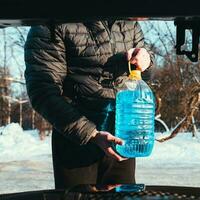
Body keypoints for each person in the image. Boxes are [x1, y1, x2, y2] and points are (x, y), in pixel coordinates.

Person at [24, 20, 154, 189]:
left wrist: (146, 62)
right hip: (76, 140)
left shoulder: (128, 21)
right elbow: (42, 91)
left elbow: (141, 78)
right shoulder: (52, 21)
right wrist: (91, 134)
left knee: (125, 196)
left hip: (122, 140)